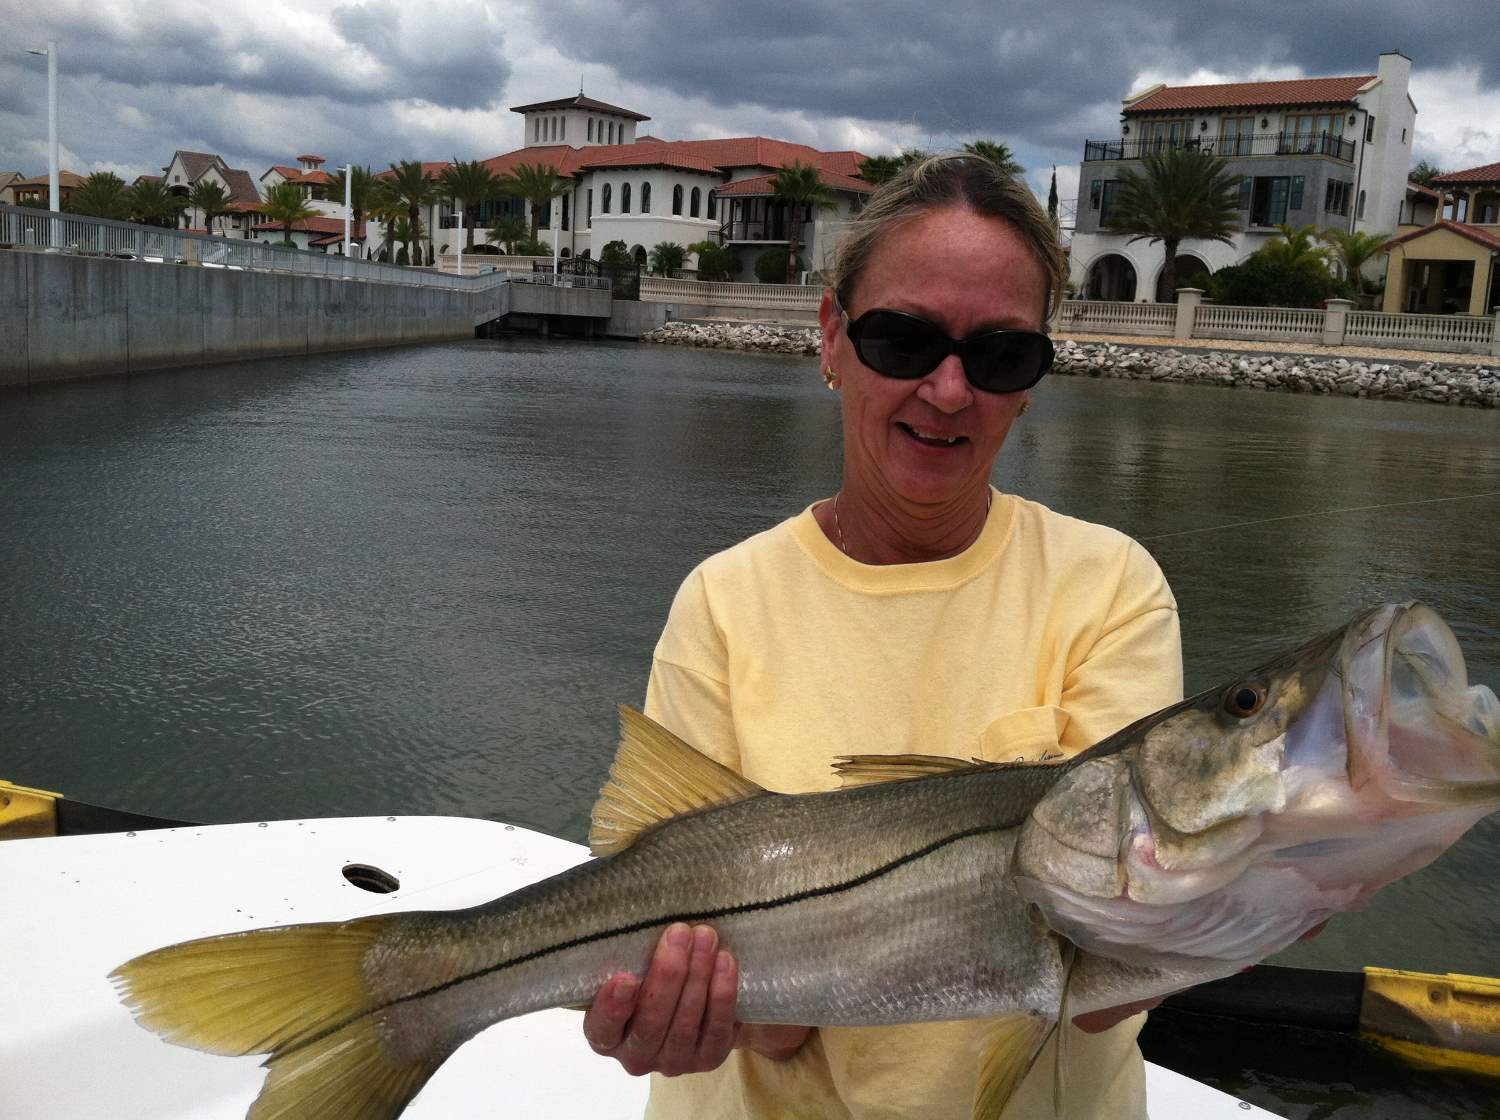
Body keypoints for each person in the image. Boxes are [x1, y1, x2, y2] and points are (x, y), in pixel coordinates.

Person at [580, 154, 1183, 1118]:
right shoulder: (723, 602)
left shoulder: (1111, 588)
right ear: (831, 337)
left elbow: (1111, 977)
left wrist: (1278, 880)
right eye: (902, 340)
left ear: (1031, 381)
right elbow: (769, 1022)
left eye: (999, 356)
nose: (948, 391)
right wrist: (705, 1006)